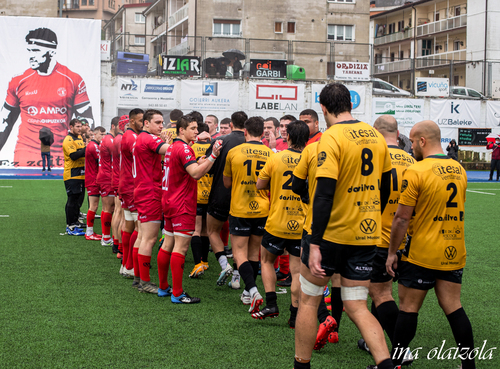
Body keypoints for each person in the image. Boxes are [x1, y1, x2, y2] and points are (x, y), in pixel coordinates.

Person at [294, 83, 393, 369]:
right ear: (350, 104)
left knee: (309, 300)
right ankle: (386, 364)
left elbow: (324, 192)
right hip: (365, 236)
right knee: (357, 306)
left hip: (330, 236)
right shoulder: (375, 136)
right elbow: (386, 187)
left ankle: (301, 365)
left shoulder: (330, 137)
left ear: (323, 109)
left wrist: (314, 242)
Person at [386, 120, 475, 369]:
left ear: (422, 141)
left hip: (422, 252)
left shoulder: (417, 170)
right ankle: (469, 366)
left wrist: (392, 252)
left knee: (408, 308)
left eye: (413, 142)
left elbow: (402, 217)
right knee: (454, 307)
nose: (411, 146)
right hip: (453, 249)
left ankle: (395, 363)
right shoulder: (459, 169)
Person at [357, 115, 415, 356]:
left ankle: (401, 350)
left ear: (375, 132)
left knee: (380, 294)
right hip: (405, 239)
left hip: (377, 236)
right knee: (383, 289)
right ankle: (373, 338)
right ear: (397, 132)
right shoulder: (413, 161)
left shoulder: (374, 158)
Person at [0, 27, 94, 167]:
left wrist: (83, 150)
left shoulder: (73, 79)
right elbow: (4, 121)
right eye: (29, 51)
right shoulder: (18, 81)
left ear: (52, 51)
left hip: (63, 153)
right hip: (26, 152)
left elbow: (87, 121)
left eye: (36, 51)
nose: (31, 56)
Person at [158, 115, 222, 304]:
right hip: (182, 204)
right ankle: (177, 293)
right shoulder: (185, 148)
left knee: (168, 243)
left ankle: (163, 288)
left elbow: (188, 167)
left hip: (169, 201)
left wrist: (202, 160)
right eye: (193, 128)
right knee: (181, 247)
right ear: (181, 130)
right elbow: (195, 173)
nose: (197, 131)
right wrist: (213, 157)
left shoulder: (173, 148)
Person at [252, 120, 309, 320]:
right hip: (302, 223)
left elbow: (260, 185)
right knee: (297, 271)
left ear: (289, 137)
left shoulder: (276, 158)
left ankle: (271, 304)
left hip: (277, 221)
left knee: (267, 260)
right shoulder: (311, 159)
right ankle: (294, 314)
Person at [223, 116, 273, 313]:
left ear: (245, 132)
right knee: (254, 253)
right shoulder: (271, 153)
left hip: (240, 207)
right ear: (262, 133)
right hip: (262, 208)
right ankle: (247, 292)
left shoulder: (235, 152)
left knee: (238, 253)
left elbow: (227, 183)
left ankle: (252, 290)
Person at [205, 111, 248, 286]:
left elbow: (208, 166)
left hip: (220, 193)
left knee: (212, 231)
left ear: (231, 124)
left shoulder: (220, 141)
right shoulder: (250, 143)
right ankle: (237, 276)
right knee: (239, 238)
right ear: (246, 126)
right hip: (244, 197)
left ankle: (224, 265)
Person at [132, 109, 172, 294]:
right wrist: (171, 141)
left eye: (162, 122)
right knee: (149, 238)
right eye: (157, 122)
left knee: (142, 237)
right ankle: (145, 282)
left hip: (143, 190)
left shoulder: (142, 138)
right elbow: (170, 151)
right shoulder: (148, 138)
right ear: (146, 123)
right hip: (150, 192)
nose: (161, 126)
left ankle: (138, 278)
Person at [119, 108, 144, 279]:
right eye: (143, 120)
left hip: (126, 185)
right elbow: (142, 155)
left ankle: (125, 265)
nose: (144, 123)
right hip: (131, 186)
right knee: (139, 227)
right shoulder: (131, 137)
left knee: (129, 225)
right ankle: (130, 266)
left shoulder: (128, 136)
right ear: (133, 121)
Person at [189, 122, 213, 279]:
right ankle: (205, 261)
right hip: (211, 195)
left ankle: (198, 263)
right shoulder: (215, 147)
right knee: (206, 230)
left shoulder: (190, 148)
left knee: (196, 230)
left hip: (196, 193)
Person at [97, 116, 119, 247]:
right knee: (109, 208)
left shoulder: (109, 139)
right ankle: (106, 238)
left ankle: (108, 237)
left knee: (111, 208)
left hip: (107, 176)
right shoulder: (109, 139)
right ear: (113, 126)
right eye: (120, 128)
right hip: (107, 177)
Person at [63, 119, 87, 236]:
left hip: (81, 174)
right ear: (71, 127)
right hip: (71, 175)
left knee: (79, 199)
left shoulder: (80, 138)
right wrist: (86, 149)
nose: (79, 128)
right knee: (72, 200)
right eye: (77, 126)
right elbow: (73, 156)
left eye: (80, 126)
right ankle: (70, 225)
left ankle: (76, 221)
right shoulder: (68, 140)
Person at [85, 126, 106, 241]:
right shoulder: (93, 146)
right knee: (93, 206)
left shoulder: (95, 145)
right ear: (95, 134)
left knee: (96, 206)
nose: (103, 137)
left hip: (94, 179)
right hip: (93, 180)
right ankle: (89, 232)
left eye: (104, 134)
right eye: (101, 134)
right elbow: (101, 161)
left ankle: (90, 231)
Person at [111, 116, 126, 256]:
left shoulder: (116, 139)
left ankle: (116, 242)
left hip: (116, 177)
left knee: (117, 212)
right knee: (121, 214)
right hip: (121, 179)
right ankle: (120, 246)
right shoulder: (122, 139)